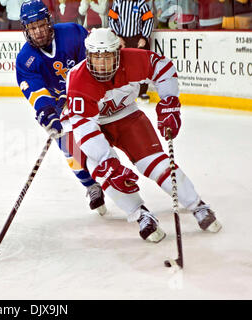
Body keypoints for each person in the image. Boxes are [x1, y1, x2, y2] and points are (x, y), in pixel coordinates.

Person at [62, 28, 222, 241]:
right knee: (105, 172)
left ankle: (197, 205)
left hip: (128, 117)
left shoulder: (133, 59)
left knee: (156, 164)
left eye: (108, 57)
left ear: (118, 53)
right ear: (87, 56)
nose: (102, 64)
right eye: (96, 57)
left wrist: (169, 101)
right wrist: (108, 162)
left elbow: (163, 69)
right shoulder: (78, 79)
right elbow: (85, 129)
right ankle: (141, 214)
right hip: (95, 127)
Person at [16, 0, 106, 215]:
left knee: (106, 138)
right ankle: (92, 186)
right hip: (59, 105)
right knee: (67, 145)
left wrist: (75, 91)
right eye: (32, 27)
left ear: (49, 21)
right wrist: (48, 114)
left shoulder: (73, 33)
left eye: (40, 25)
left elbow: (92, 64)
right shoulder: (25, 60)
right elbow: (37, 93)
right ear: (26, 30)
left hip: (91, 97)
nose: (37, 32)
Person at [108, 0, 154, 100]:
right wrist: (117, 37)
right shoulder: (118, 3)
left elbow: (149, 20)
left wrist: (144, 37)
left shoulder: (141, 3)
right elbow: (112, 19)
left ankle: (142, 91)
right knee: (119, 65)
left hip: (137, 39)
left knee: (141, 66)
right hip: (122, 39)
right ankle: (120, 91)